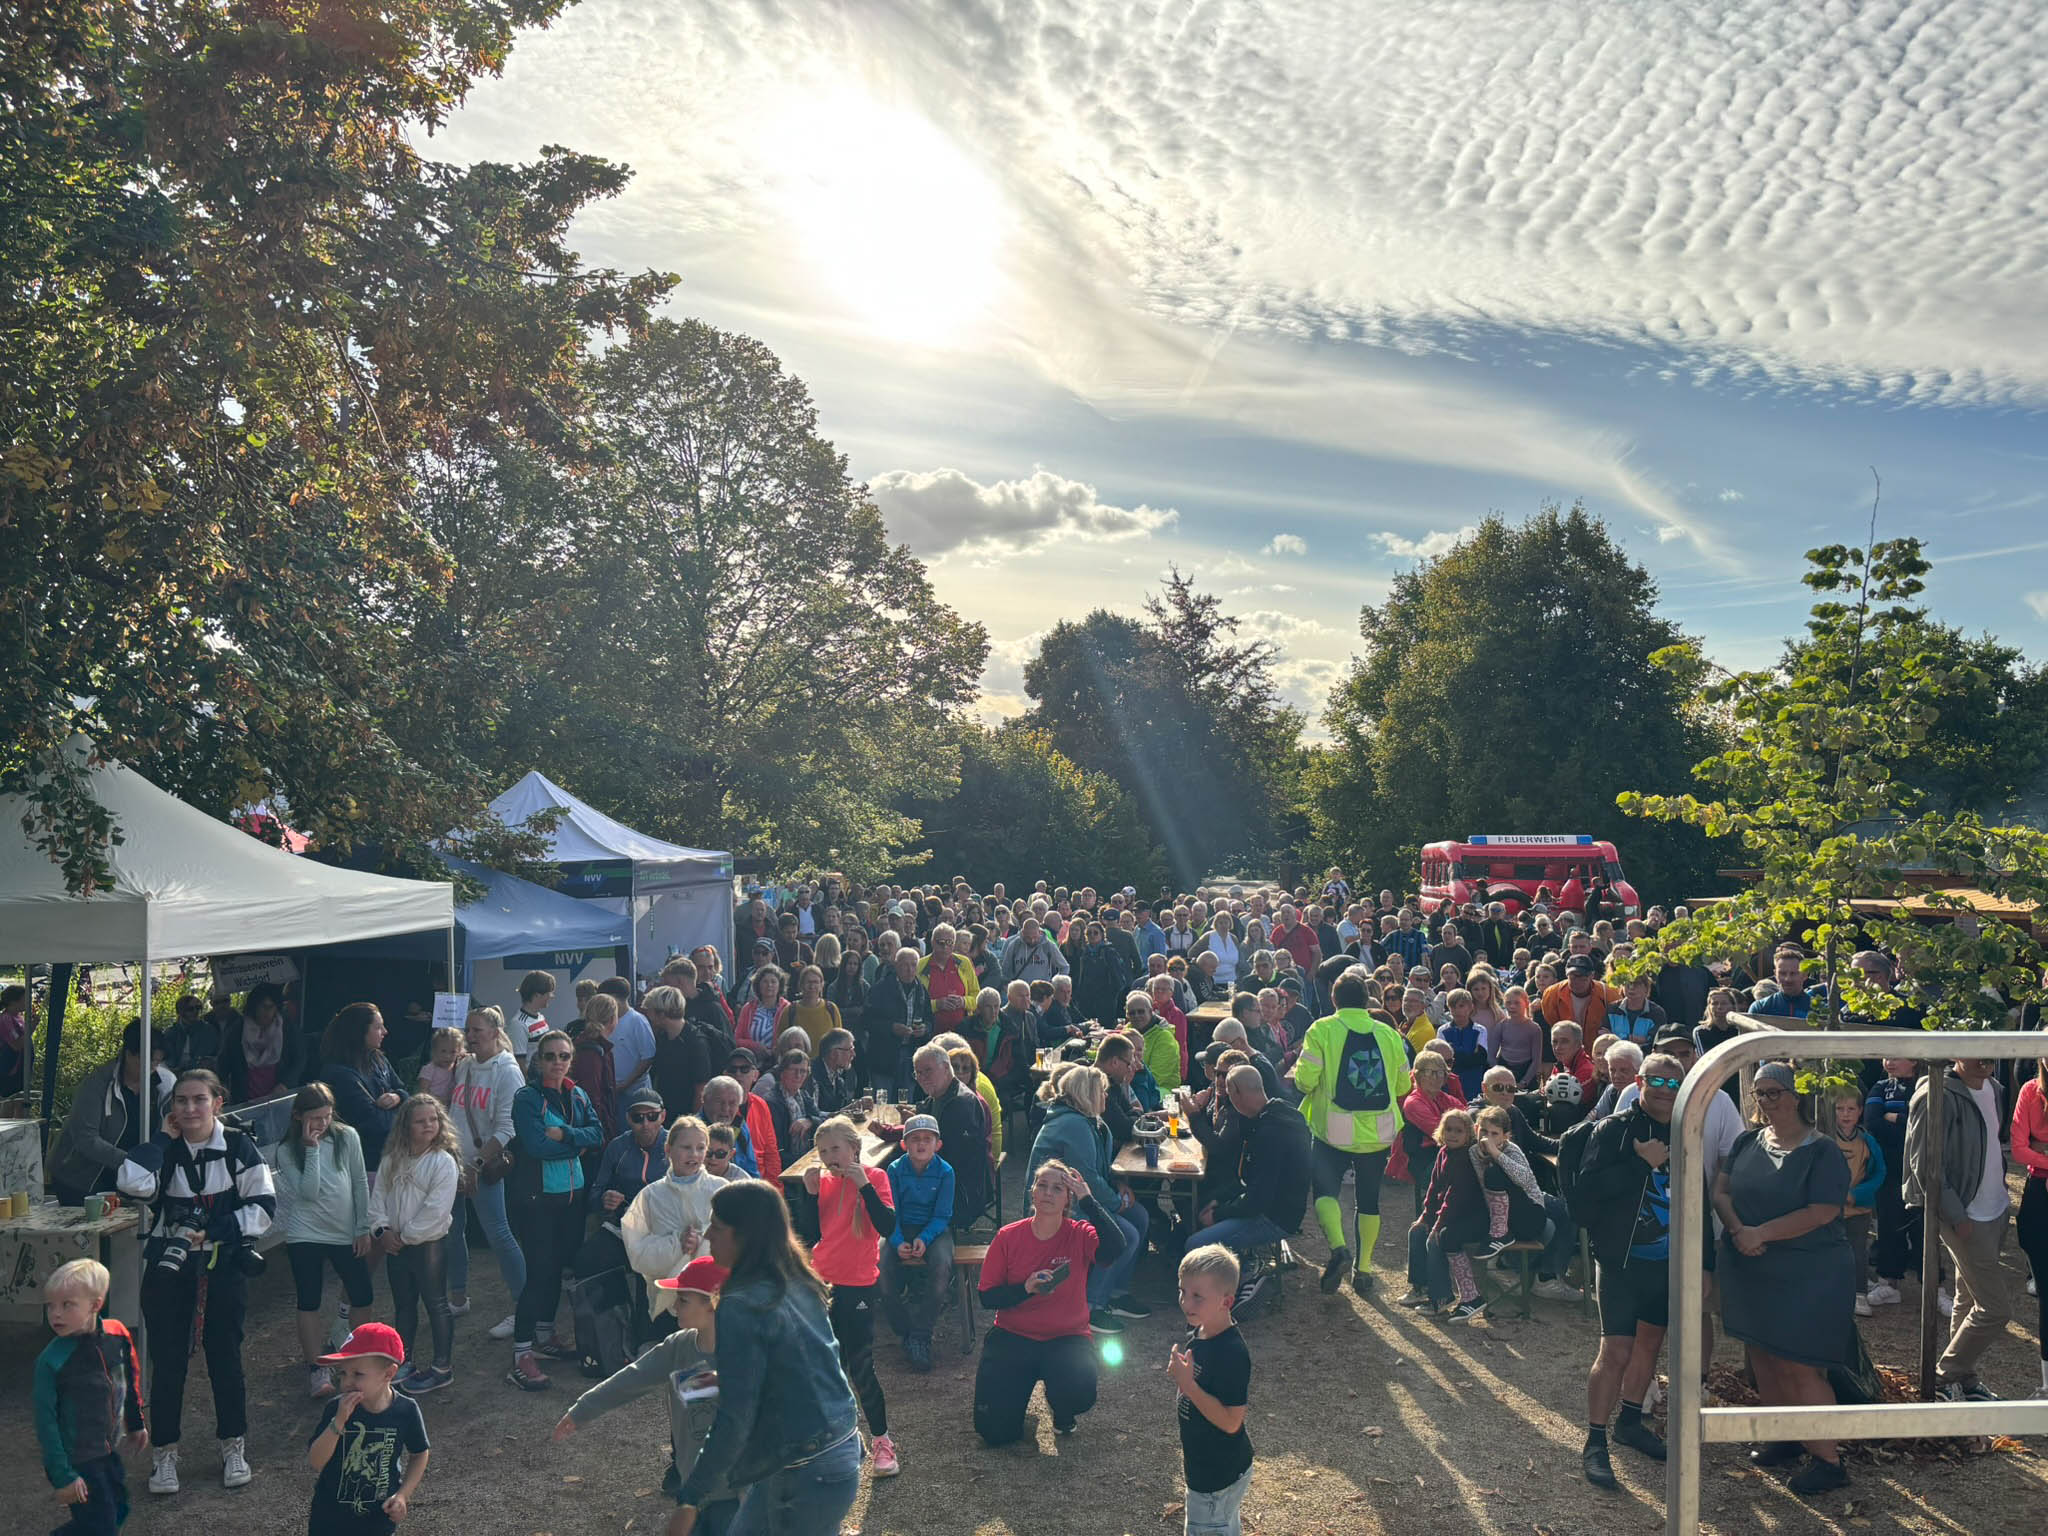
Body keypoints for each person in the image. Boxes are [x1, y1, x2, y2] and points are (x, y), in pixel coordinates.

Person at [673, 1180, 863, 1535]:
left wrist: (691, 1498)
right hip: (834, 1451)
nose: (708, 1235)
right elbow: (804, 1366)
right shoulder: (797, 1281)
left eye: (717, 1226)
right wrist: (726, 1378)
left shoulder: (740, 1304)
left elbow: (735, 1418)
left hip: (805, 1471)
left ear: (744, 1235)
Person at [117, 1067, 275, 1495]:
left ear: (217, 1103)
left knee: (225, 1357)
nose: (190, 1108)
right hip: (170, 1268)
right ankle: (164, 1454)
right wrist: (161, 1139)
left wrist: (215, 1231)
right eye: (181, 1101)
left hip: (222, 1264)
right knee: (168, 1361)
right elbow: (130, 1182)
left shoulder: (238, 1146)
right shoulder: (166, 1149)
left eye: (199, 1099)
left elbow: (263, 1208)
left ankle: (233, 1445)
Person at [1711, 1061, 1856, 1494]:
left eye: (1775, 1091)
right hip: (1751, 1265)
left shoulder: (1823, 1151)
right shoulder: (1746, 1141)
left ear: (1797, 1096)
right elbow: (1721, 1191)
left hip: (1809, 1272)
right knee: (1763, 1355)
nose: (1766, 1100)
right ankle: (1785, 1437)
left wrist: (1761, 1234)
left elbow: (1822, 1211)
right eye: (1760, 1092)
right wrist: (1739, 1230)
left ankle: (1828, 1461)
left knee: (1799, 1364)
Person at [554, 1257, 737, 1535]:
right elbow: (632, 1378)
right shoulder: (678, 1347)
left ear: (713, 1302)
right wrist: (583, 1409)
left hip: (734, 1494)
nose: (674, 1307)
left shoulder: (745, 1353)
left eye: (683, 1300)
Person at [1574, 1051, 1681, 1490]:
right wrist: (1641, 1163)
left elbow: (1698, 1196)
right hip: (1621, 1259)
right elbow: (1586, 1195)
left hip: (1668, 1261)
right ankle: (1595, 1441)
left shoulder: (1684, 1130)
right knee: (1616, 1350)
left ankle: (1630, 1421)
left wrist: (1705, 1264)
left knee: (1650, 1344)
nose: (1665, 1091)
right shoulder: (1614, 1130)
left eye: (1674, 1083)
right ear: (1639, 1082)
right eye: (1657, 1081)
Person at [972, 1160, 1129, 1445]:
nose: (1048, 1192)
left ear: (1068, 1198)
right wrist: (1026, 1288)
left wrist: (1088, 1199)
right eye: (1042, 1185)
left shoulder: (1079, 1233)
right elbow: (987, 1296)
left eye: (1058, 1188)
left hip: (1066, 1336)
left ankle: (1062, 1407)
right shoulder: (1008, 1236)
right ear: (1032, 1192)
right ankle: (1018, 1393)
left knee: (1077, 1393)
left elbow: (1116, 1247)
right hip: (1014, 1333)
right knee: (995, 1433)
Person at [1291, 972, 1410, 1296]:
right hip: (1378, 1131)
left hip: (1334, 1129)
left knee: (1325, 1192)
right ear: (1367, 1000)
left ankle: (1339, 1248)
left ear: (1334, 998)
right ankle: (1364, 1269)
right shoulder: (1389, 1034)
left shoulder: (1322, 1029)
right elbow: (1403, 1085)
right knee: (1369, 1200)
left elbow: (1304, 1081)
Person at [1905, 1054, 2011, 1401]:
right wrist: (1956, 1215)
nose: (1985, 1059)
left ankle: (1963, 1380)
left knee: (1968, 1299)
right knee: (1995, 1309)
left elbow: (1992, 1145)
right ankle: (1943, 1376)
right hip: (1964, 1216)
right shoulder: (1936, 1095)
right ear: (1955, 1052)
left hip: (1995, 1210)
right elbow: (1925, 1164)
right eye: (1974, 1047)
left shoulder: (1994, 1088)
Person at [505, 1030, 603, 1392]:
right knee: (539, 1273)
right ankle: (521, 1352)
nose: (557, 1062)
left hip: (572, 1198)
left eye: (564, 1056)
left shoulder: (577, 1094)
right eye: (550, 1056)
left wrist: (566, 1135)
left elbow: (598, 1134)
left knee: (558, 1268)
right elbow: (535, 1146)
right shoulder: (527, 1098)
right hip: (538, 1199)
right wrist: (578, 1142)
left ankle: (545, 1336)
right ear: (538, 1060)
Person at [803, 1116, 900, 1477]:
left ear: (854, 1149)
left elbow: (888, 1226)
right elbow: (808, 1235)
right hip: (821, 1284)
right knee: (826, 1367)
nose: (830, 1157)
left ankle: (882, 1442)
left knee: (860, 1366)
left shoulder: (876, 1178)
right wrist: (809, 1196)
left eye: (836, 1149)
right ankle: (837, 1440)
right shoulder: (822, 1182)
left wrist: (864, 1186)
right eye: (823, 1151)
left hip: (858, 1285)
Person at [1026, 1065, 1151, 1331]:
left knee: (1139, 1216)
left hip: (1079, 1197)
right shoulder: (1073, 1124)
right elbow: (1088, 1178)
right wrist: (1116, 1203)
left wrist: (1118, 1185)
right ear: (1088, 1093)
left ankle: (1116, 1292)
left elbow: (1097, 1170)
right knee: (1125, 1234)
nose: (1106, 1096)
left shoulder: (1087, 1120)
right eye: (1102, 1091)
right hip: (1060, 1205)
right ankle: (1092, 1305)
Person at [277, 1083, 374, 1398]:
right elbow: (309, 1192)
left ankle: (355, 1362)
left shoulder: (347, 1136)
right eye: (315, 1118)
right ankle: (316, 1368)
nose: (322, 1123)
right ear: (298, 1116)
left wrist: (362, 1226)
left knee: (362, 1294)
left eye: (327, 1116)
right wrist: (312, 1149)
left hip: (344, 1231)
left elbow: (359, 1181)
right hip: (306, 1232)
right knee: (309, 1299)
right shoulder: (287, 1150)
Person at [35, 1258, 146, 1536]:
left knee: (118, 1509)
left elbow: (127, 1380)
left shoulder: (117, 1334)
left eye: (67, 1305)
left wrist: (135, 1423)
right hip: (78, 1460)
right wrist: (64, 1477)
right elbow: (46, 1423)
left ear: (95, 1305)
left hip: (107, 1451)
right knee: (102, 1526)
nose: (55, 1314)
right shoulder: (51, 1360)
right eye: (50, 1306)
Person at [305, 1323, 431, 1536]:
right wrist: (338, 1422)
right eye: (343, 1373)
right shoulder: (336, 1408)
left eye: (358, 1374)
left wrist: (403, 1495)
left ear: (388, 1373)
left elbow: (420, 1453)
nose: (347, 1382)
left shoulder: (406, 1410)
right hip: (329, 1519)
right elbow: (316, 1462)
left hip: (378, 1519)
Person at [370, 1095, 458, 1396]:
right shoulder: (392, 1159)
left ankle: (442, 1367)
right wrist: (382, 1230)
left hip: (427, 1245)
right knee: (404, 1304)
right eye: (420, 1121)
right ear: (406, 1125)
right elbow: (378, 1198)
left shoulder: (443, 1161)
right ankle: (403, 1360)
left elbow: (437, 1209)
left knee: (436, 1303)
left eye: (433, 1119)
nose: (428, 1125)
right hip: (395, 1245)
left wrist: (403, 1237)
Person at [1171, 1245, 1254, 1536]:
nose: (1186, 1302)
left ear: (1226, 1301)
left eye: (1197, 1296)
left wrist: (1188, 1386)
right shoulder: (1202, 1331)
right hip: (1207, 1468)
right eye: (1182, 1291)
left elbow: (1232, 1422)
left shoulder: (1232, 1353)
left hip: (1217, 1477)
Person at [49, 1019, 176, 1205]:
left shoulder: (165, 1083)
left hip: (136, 1180)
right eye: (148, 1060)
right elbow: (86, 1139)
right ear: (129, 1054)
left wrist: (143, 1166)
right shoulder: (97, 1084)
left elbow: (171, 1125)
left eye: (158, 1061)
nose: (153, 1067)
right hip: (82, 1180)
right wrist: (132, 1163)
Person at [623, 1115, 726, 1326]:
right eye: (686, 1147)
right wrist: (677, 1243)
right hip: (667, 1299)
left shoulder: (721, 1190)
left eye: (700, 1148)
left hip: (713, 1300)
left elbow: (737, 1241)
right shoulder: (650, 1196)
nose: (694, 1154)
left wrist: (702, 1243)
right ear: (668, 1149)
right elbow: (637, 1254)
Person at [879, 1113, 955, 1372]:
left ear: (937, 1144)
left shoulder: (945, 1172)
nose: (921, 1144)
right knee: (880, 1267)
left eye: (927, 1139)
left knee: (942, 1266)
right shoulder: (894, 1170)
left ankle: (922, 1334)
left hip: (933, 1229)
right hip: (900, 1227)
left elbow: (942, 1215)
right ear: (904, 1144)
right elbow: (891, 1212)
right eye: (914, 1139)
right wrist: (898, 1240)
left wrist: (924, 1238)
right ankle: (905, 1331)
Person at [1399, 1108, 1488, 1321]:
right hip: (1450, 1213)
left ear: (1469, 1134)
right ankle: (1420, 1287)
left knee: (1435, 1240)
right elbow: (1434, 1188)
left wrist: (1437, 1225)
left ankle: (1441, 1297)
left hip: (1470, 1216)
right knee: (1417, 1231)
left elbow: (1455, 1197)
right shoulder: (1444, 1152)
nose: (1453, 1134)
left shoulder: (1465, 1158)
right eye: (1448, 1129)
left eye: (1459, 1131)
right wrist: (1426, 1217)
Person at [319, 1004, 406, 1176]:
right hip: (365, 1164)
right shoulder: (340, 1074)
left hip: (390, 1157)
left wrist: (397, 1096)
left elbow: (404, 1091)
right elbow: (375, 1124)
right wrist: (405, 1114)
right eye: (378, 1027)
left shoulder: (378, 1059)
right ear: (360, 1032)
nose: (385, 1031)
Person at [1828, 1088, 1886, 1317]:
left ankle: (1859, 1293)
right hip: (1828, 1209)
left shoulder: (1867, 1141)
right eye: (1840, 1109)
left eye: (1851, 1109)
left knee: (1857, 1251)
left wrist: (1857, 1194)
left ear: (1860, 1111)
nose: (1845, 1114)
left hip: (1858, 1209)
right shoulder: (1826, 1138)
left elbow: (1879, 1173)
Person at [2013, 1056, 2048, 1400]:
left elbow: (2031, 1146)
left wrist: (2041, 1149)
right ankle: (2047, 1385)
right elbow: (2019, 1148)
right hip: (2039, 1196)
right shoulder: (2030, 1091)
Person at [217, 981, 301, 1105]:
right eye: (263, 1006)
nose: (267, 1011)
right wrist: (222, 1085)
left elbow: (299, 1059)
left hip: (278, 1097)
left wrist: (285, 1083)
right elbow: (224, 1061)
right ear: (254, 1006)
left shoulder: (287, 1029)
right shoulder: (238, 1029)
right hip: (245, 1099)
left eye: (271, 1007)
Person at [1749, 948, 1814, 1019]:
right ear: (1775, 974)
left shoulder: (1818, 1009)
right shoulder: (1760, 1008)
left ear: (1805, 975)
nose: (1788, 979)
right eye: (1782, 973)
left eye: (1793, 973)